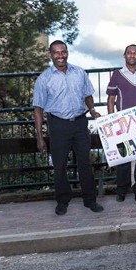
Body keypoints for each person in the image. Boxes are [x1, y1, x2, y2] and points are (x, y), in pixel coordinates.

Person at [32, 40, 104, 216]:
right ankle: (62, 201)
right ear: (50, 55)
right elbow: (38, 109)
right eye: (56, 53)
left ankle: (90, 200)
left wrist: (92, 110)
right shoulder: (44, 79)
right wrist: (40, 137)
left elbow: (88, 96)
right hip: (58, 124)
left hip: (80, 123)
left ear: (67, 53)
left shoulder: (79, 72)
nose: (60, 56)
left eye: (63, 52)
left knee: (85, 163)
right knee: (60, 164)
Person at [106, 44, 136, 202]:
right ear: (124, 55)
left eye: (135, 53)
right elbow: (111, 100)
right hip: (123, 124)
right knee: (124, 158)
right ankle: (121, 190)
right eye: (129, 53)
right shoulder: (117, 75)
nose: (132, 55)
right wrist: (112, 121)